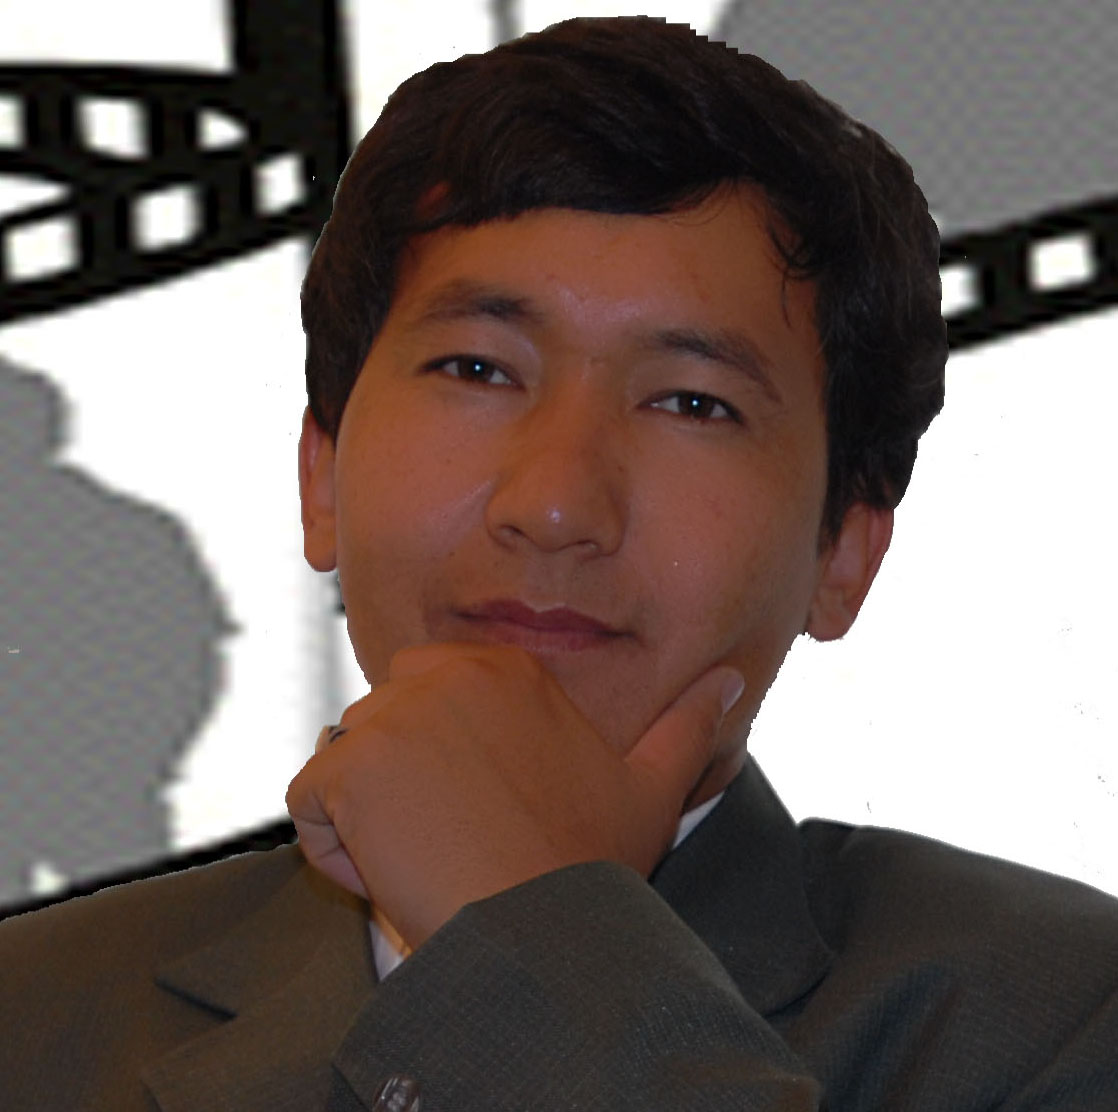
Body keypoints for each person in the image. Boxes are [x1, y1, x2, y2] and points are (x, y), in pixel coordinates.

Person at [2, 16, 1115, 1111]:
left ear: (843, 552)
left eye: (692, 403)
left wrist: (527, 929)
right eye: (477, 369)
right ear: (322, 477)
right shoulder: (31, 1014)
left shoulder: (1059, 1016)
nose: (553, 504)